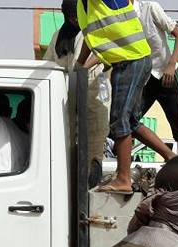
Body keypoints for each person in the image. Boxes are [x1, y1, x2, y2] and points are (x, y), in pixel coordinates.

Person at [57, 0, 157, 194]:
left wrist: (82, 65)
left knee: (120, 121)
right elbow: (91, 39)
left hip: (132, 59)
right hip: (124, 62)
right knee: (130, 122)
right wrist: (80, 65)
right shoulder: (84, 9)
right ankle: (170, 156)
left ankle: (123, 179)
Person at [47, 1, 110, 179]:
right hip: (68, 99)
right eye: (71, 17)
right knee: (66, 145)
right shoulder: (58, 36)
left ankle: (90, 185)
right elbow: (48, 65)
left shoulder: (94, 30)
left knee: (94, 143)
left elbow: (104, 53)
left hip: (94, 94)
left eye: (77, 16)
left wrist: (82, 67)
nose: (75, 20)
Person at [132, 0, 178, 159]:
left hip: (169, 75)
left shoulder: (150, 8)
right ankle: (169, 156)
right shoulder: (121, 16)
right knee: (129, 121)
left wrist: (171, 65)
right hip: (146, 78)